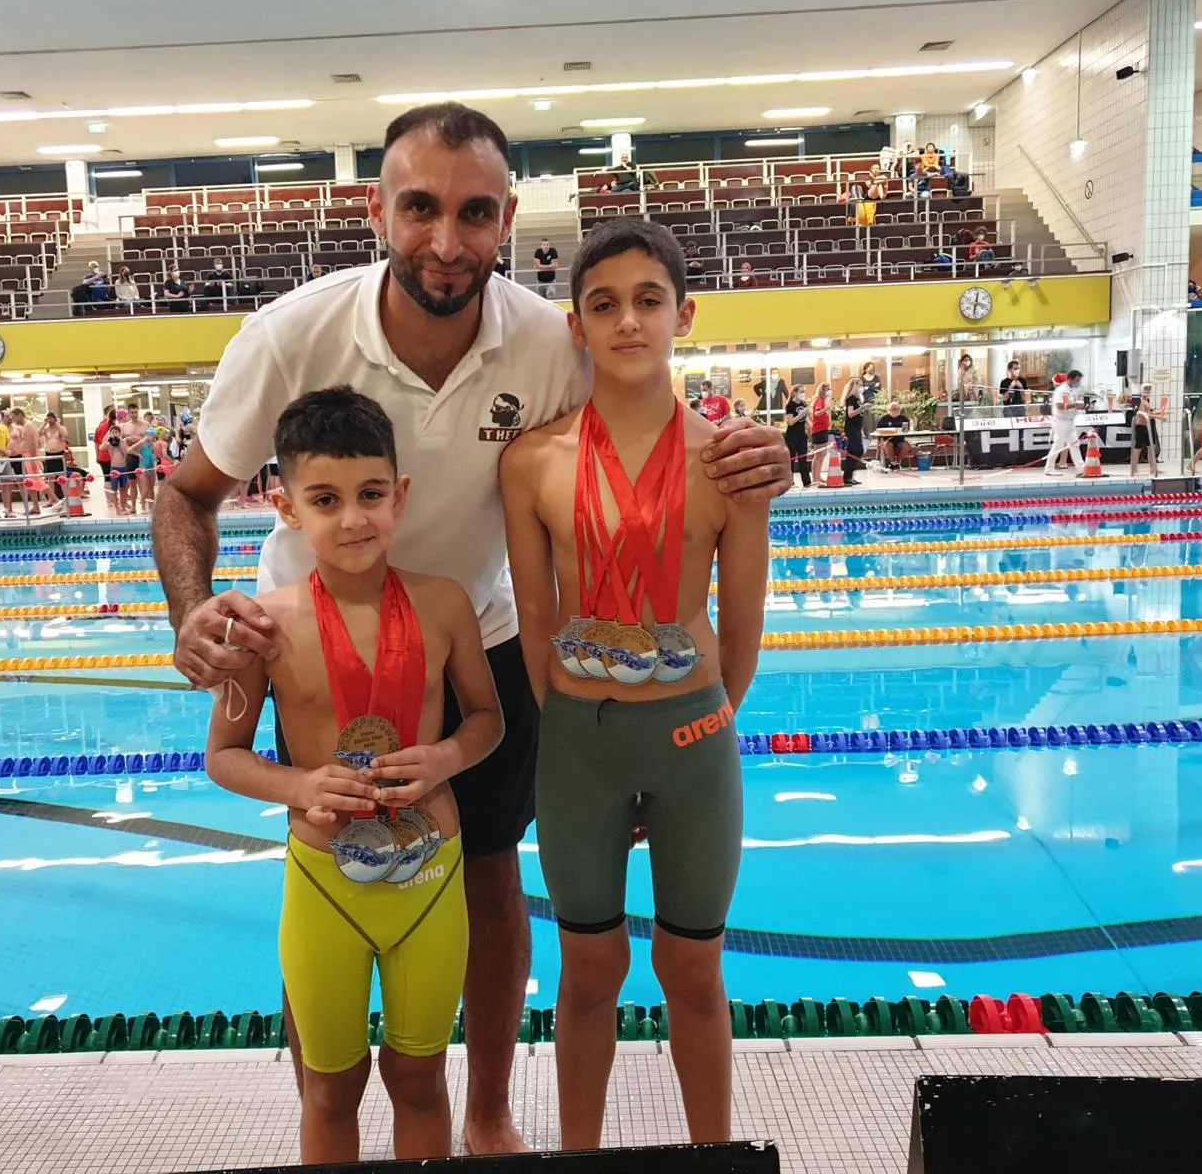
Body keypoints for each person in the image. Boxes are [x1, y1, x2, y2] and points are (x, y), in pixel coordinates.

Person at [152, 102, 793, 1155]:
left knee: (491, 873)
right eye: (419, 209)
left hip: (485, 636)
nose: (445, 242)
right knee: (326, 848)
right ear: (376, 208)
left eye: (474, 214)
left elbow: (646, 412)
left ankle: (489, 1113)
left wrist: (752, 453)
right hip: (325, 641)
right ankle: (324, 1102)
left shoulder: (548, 341)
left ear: (507, 224)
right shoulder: (290, 335)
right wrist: (191, 617)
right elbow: (186, 495)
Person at [498, 219, 768, 1149]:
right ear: (576, 324)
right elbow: (538, 626)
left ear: (683, 316)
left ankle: (716, 1156)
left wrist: (699, 722)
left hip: (694, 739)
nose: (627, 322)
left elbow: (741, 633)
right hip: (579, 740)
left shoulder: (728, 463)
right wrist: (583, 731)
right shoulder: (530, 463)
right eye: (604, 305)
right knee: (589, 969)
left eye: (648, 301)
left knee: (694, 971)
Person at [206, 387, 502, 1163]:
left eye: (371, 495)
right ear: (287, 507)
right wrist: (300, 785)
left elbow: (487, 722)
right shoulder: (262, 627)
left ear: (399, 496)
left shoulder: (444, 606)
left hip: (429, 876)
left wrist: (443, 757)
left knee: (420, 1079)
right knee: (331, 1087)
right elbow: (223, 756)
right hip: (323, 882)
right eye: (325, 499)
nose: (353, 519)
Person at [1043, 370, 1087, 476]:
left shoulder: (1070, 390)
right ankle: (1049, 468)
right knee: (1058, 445)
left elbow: (1069, 405)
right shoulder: (1061, 390)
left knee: (1075, 444)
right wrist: (1076, 405)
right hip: (1061, 422)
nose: (1078, 383)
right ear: (1071, 379)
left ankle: (1081, 468)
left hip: (1070, 422)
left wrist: (1076, 406)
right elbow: (1059, 406)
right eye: (1077, 380)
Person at [1127, 382, 1163, 477]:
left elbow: (1149, 413)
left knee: (1151, 448)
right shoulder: (1141, 401)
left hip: (1146, 426)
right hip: (1141, 427)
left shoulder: (1146, 401)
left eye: (1149, 389)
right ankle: (1134, 468)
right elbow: (1144, 415)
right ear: (1141, 391)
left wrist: (1160, 412)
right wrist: (1159, 416)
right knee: (1137, 449)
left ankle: (1152, 468)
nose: (1147, 391)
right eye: (1145, 389)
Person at [784, 384, 811, 488]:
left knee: (803, 459)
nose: (803, 394)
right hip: (792, 436)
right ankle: (790, 481)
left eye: (804, 392)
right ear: (795, 393)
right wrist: (800, 415)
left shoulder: (803, 404)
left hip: (801, 436)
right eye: (801, 392)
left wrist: (810, 425)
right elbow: (790, 422)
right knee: (791, 459)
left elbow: (805, 420)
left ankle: (807, 481)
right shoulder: (790, 405)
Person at [875, 399, 914, 470]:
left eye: (896, 408)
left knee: (907, 446)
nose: (894, 410)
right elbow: (878, 431)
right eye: (892, 409)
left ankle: (897, 463)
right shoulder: (883, 419)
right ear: (888, 410)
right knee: (887, 445)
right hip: (888, 440)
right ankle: (893, 463)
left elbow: (907, 430)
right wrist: (878, 442)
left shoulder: (904, 418)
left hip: (900, 440)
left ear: (899, 409)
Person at [40, 411, 71, 497]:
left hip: (59, 454)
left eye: (51, 418)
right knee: (50, 477)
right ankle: (51, 499)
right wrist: (43, 424)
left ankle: (66, 496)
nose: (49, 420)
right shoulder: (46, 429)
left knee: (62, 476)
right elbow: (38, 434)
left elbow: (65, 434)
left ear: (55, 419)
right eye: (48, 418)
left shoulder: (61, 428)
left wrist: (57, 424)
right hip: (49, 454)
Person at [842, 380, 865, 486]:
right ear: (854, 386)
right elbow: (850, 414)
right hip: (851, 428)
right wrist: (862, 408)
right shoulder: (851, 399)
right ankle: (847, 476)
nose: (861, 387)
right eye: (859, 385)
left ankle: (849, 476)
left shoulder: (857, 399)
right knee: (856, 451)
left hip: (856, 428)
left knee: (856, 451)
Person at [93, 403, 117, 482]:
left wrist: (97, 456)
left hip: (102, 456)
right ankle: (113, 494)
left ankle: (110, 494)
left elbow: (96, 443)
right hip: (112, 456)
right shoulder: (113, 426)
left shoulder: (100, 426)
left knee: (107, 478)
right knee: (114, 478)